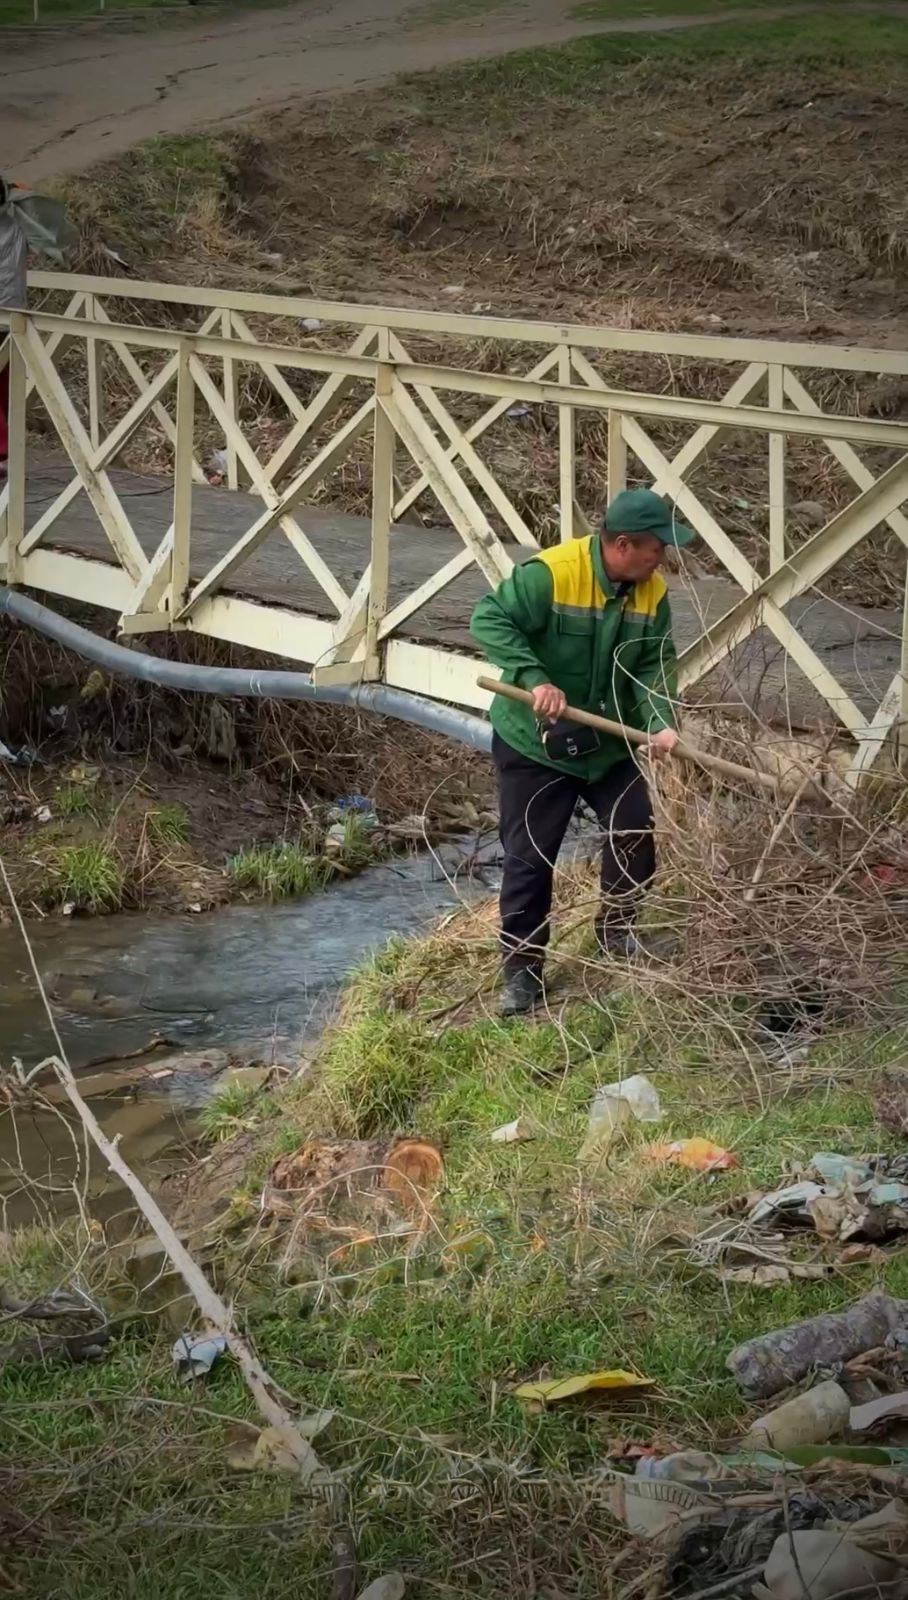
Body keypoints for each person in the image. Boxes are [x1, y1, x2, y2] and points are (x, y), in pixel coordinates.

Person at [471, 487, 694, 1016]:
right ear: (622, 545)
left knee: (634, 830)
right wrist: (534, 677)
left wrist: (662, 722)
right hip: (536, 744)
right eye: (656, 548)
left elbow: (653, 666)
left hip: (606, 744)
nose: (663, 557)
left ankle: (616, 935)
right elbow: (489, 617)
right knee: (530, 857)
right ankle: (523, 974)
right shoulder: (553, 573)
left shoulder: (652, 593)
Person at [0, 175, 28, 480]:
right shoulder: (18, 224)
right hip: (13, 313)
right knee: (5, 382)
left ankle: (2, 449)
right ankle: (7, 451)